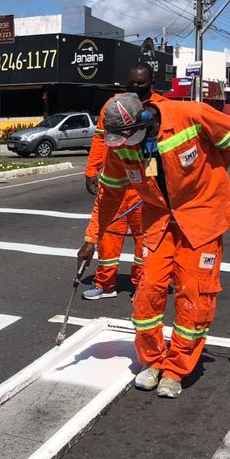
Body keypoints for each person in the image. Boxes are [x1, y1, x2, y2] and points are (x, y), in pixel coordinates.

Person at [83, 91, 230, 399]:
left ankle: (177, 369)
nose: (125, 149)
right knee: (147, 293)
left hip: (202, 219)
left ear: (145, 122)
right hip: (158, 223)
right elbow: (110, 197)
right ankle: (154, 361)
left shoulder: (191, 115)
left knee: (195, 296)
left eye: (128, 141)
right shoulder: (120, 147)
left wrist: (213, 173)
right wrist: (92, 237)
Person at [78, 62, 167, 299]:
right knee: (109, 233)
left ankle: (142, 282)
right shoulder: (114, 105)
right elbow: (99, 138)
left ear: (152, 84)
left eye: (141, 83)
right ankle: (105, 283)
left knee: (144, 236)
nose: (135, 87)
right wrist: (91, 170)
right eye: (131, 83)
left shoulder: (162, 108)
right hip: (116, 177)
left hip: (145, 186)